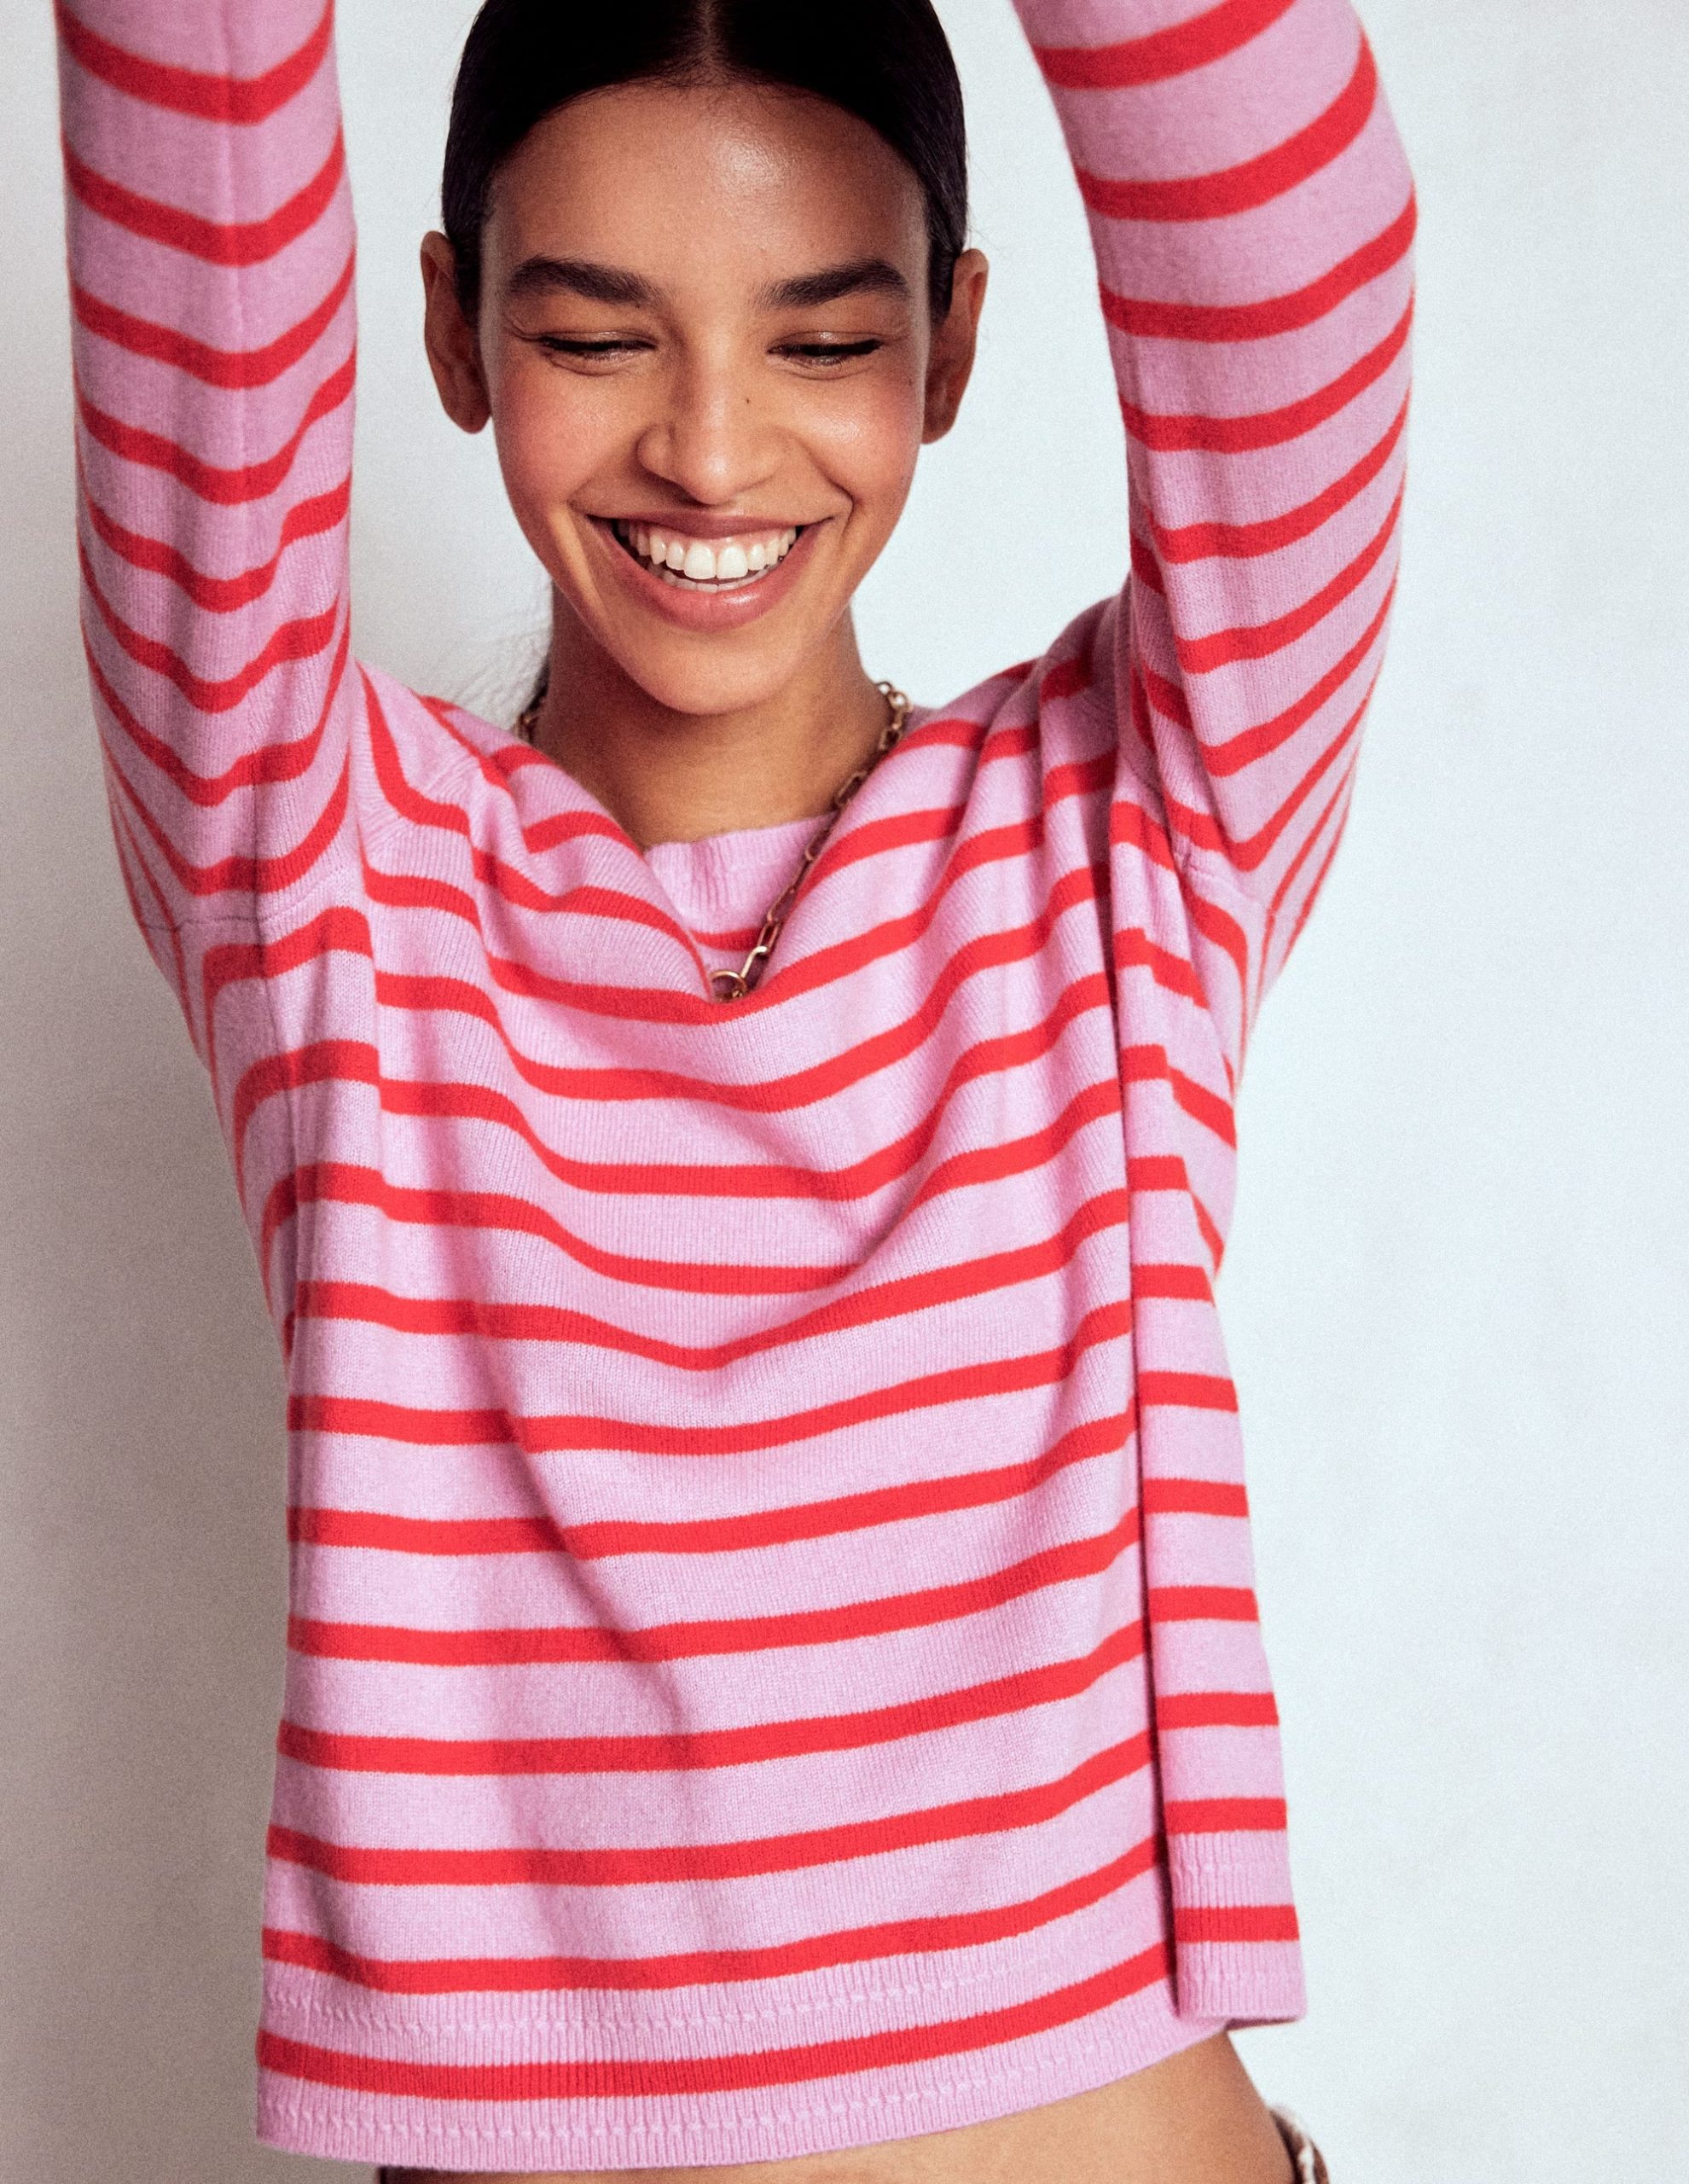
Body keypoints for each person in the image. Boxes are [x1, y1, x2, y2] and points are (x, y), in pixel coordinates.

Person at [54, 0, 1411, 2175]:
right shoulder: (321, 879)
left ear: (949, 347)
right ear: (455, 330)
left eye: (824, 339)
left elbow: (1302, 266)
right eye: (597, 337)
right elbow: (189, 204)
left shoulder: (1135, 834)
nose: (708, 448)